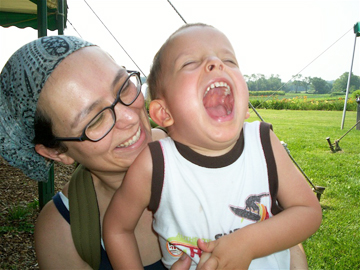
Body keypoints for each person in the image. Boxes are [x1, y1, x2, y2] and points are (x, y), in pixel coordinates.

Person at [0, 35, 308, 270]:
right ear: (56, 153)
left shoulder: (217, 149)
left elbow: (290, 246)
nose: (131, 117)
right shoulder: (65, 231)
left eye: (124, 88)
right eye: (95, 120)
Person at [103, 23, 322, 270]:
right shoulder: (155, 165)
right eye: (189, 63)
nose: (215, 62)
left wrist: (248, 243)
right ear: (164, 113)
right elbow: (116, 229)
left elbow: (308, 211)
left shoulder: (263, 143)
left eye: (229, 60)